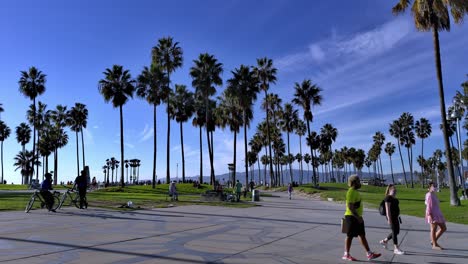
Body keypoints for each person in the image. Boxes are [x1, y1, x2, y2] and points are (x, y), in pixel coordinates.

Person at [342, 175, 381, 261]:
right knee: (350, 236)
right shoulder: (351, 192)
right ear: (353, 182)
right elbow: (350, 206)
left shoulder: (355, 192)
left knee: (362, 235)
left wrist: (359, 217)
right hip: (351, 217)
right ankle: (346, 254)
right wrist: (357, 217)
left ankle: (369, 254)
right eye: (358, 181)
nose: (360, 183)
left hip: (357, 217)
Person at [379, 184, 405, 255]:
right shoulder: (388, 198)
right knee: (394, 231)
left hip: (396, 217)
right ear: (390, 191)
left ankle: (384, 241)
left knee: (396, 232)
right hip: (391, 217)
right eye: (393, 190)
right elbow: (387, 210)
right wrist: (389, 219)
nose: (395, 192)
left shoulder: (396, 200)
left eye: (395, 190)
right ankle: (396, 248)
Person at [425, 181, 447, 250]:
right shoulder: (429, 195)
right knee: (433, 229)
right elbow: (428, 206)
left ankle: (433, 241)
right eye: (433, 186)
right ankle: (434, 245)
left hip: (437, 213)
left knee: (443, 228)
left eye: (435, 186)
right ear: (429, 187)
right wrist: (430, 215)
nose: (435, 187)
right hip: (432, 214)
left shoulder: (433, 194)